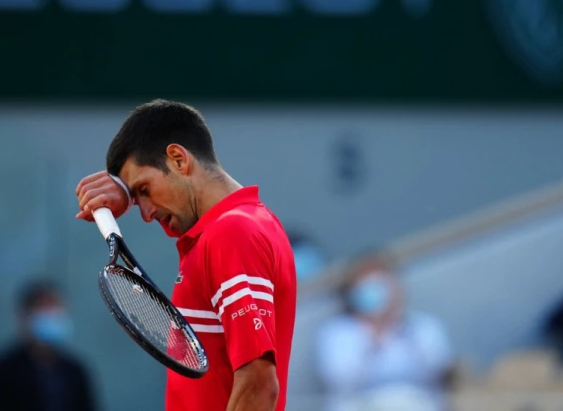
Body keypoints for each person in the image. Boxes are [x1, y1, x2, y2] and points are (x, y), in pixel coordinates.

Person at [75, 99, 297, 411]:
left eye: (144, 190)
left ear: (179, 159)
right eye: (137, 199)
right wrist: (128, 191)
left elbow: (258, 384)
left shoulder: (232, 232)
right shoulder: (236, 228)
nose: (146, 215)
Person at [315, 257, 454, 411]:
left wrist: (398, 326)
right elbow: (340, 380)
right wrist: (374, 335)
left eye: (381, 284)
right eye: (367, 286)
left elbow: (438, 370)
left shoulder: (422, 326)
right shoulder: (336, 333)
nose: (377, 292)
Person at [0, 280, 96, 411]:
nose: (50, 316)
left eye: (54, 308)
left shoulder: (75, 371)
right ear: (25, 316)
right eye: (43, 309)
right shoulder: (2, 370)